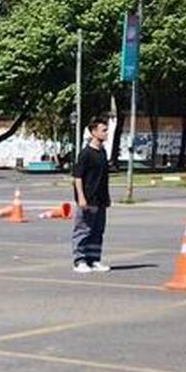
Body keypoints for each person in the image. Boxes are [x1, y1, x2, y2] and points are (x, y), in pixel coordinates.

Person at [72, 117, 113, 273]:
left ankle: (94, 259)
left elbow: (103, 178)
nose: (106, 133)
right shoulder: (85, 154)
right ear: (94, 132)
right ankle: (79, 260)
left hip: (100, 199)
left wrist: (107, 197)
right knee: (83, 230)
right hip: (88, 198)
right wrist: (81, 197)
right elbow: (77, 177)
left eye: (106, 129)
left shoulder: (102, 152)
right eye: (104, 130)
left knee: (97, 230)